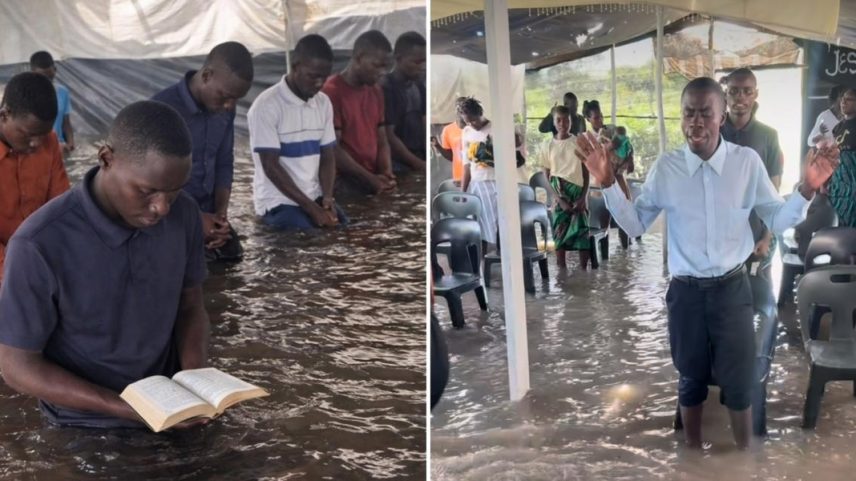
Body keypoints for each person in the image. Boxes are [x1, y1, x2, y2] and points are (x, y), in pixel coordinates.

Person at [576, 77, 837, 449]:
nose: (695, 122)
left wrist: (807, 188)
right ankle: (691, 459)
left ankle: (745, 459)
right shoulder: (667, 169)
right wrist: (607, 181)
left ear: (721, 116)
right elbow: (634, 225)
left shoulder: (745, 164)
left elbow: (777, 220)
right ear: (681, 118)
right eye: (688, 113)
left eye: (705, 113)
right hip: (685, 292)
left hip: (733, 289)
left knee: (740, 380)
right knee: (691, 378)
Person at [0, 101, 210, 429]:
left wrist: (196, 383)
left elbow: (190, 305)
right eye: (147, 191)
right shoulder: (38, 245)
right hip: (89, 421)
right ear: (106, 158)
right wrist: (131, 408)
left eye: (173, 191)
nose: (162, 208)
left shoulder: (184, 214)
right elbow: (17, 366)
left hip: (172, 405)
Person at [152, 41, 253, 261]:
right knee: (186, 266)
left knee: (232, 257)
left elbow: (224, 162)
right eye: (225, 96)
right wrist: (196, 219)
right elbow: (151, 183)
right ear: (206, 75)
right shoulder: (162, 109)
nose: (229, 105)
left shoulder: (226, 110)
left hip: (208, 212)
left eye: (236, 99)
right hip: (168, 211)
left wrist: (220, 216)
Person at [248, 34, 347, 230]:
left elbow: (328, 155)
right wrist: (312, 209)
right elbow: (270, 167)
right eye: (313, 76)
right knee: (307, 239)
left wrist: (327, 199)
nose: (319, 83)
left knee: (345, 229)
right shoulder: (266, 106)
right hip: (278, 201)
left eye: (324, 77)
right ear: (295, 66)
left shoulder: (323, 102)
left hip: (313, 195)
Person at [0, 72, 69, 284]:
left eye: (44, 134)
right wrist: (13, 274)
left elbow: (61, 208)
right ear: (5, 115)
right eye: (28, 135)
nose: (37, 144)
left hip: (39, 260)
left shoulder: (50, 144)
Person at [720, 68, 784, 283]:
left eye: (747, 91)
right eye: (734, 91)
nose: (740, 97)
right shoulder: (714, 133)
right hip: (720, 234)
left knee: (758, 297)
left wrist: (767, 237)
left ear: (755, 94)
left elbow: (773, 193)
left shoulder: (768, 136)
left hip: (756, 232)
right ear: (725, 94)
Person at [322, 30, 396, 195]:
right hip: (342, 180)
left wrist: (386, 173)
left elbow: (382, 139)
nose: (382, 72)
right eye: (377, 65)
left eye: (385, 67)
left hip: (370, 175)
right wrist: (371, 180)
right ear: (359, 58)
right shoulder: (331, 92)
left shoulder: (376, 91)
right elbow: (333, 149)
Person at [459, 97, 524, 251]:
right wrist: (463, 192)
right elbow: (466, 165)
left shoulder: (498, 128)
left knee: (502, 225)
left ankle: (505, 259)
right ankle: (482, 267)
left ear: (481, 113)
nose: (471, 124)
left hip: (498, 183)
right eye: (467, 121)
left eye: (473, 120)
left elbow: (517, 145)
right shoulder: (466, 133)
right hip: (477, 185)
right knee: (480, 226)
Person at [542, 105, 591, 270]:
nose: (563, 123)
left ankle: (585, 273)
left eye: (566, 120)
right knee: (559, 235)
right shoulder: (547, 145)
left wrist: (583, 197)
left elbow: (586, 173)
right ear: (554, 123)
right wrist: (558, 200)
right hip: (559, 194)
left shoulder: (578, 142)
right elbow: (546, 176)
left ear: (571, 121)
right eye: (559, 120)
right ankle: (562, 273)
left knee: (582, 234)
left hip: (577, 193)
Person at [382, 31, 426, 172]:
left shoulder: (418, 85)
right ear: (399, 58)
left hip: (418, 158)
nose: (422, 66)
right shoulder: (387, 88)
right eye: (417, 62)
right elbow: (389, 135)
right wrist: (417, 163)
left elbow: (423, 120)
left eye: (424, 61)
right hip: (397, 164)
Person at [29, 51, 74, 155]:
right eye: (42, 78)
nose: (47, 82)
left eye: (50, 77)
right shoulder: (27, 95)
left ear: (55, 70)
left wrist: (71, 143)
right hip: (35, 148)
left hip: (59, 147)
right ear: (33, 73)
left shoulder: (63, 92)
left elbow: (66, 123)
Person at [829, 89, 856, 227]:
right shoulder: (837, 127)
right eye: (843, 98)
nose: (843, 102)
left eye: (849, 99)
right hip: (838, 190)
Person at [431, 96, 467, 182]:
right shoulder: (448, 130)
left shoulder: (474, 128)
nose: (462, 112)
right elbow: (452, 157)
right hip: (459, 177)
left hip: (475, 177)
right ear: (455, 110)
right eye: (459, 108)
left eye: (465, 108)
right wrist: (438, 146)